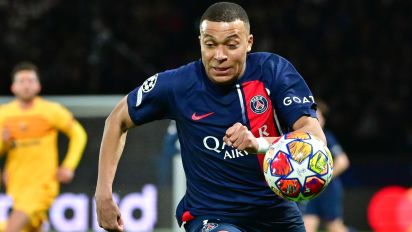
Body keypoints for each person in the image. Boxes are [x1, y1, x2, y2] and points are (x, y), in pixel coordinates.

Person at [95, 2, 325, 232]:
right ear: (200, 43)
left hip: (277, 214)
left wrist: (259, 144)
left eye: (231, 45)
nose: (219, 55)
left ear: (249, 43)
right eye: (210, 45)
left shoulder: (274, 71)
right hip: (211, 215)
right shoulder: (178, 85)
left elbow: (315, 137)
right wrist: (103, 193)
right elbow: (117, 120)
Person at [0, 62, 87, 232]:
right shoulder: (4, 114)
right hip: (17, 185)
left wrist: (69, 165)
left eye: (31, 80)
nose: (26, 85)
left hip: (43, 185)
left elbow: (79, 135)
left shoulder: (51, 111)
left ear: (38, 86)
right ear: (13, 87)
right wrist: (3, 142)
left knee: (11, 229)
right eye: (22, 81)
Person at [301, 100, 351, 232]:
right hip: (310, 191)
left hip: (328, 189)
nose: (315, 119)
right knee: (307, 227)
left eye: (318, 116)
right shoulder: (302, 140)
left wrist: (322, 179)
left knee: (334, 227)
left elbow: (343, 161)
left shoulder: (326, 137)